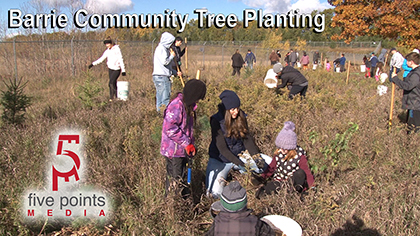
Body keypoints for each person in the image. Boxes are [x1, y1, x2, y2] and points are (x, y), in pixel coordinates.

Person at [206, 90, 261, 198]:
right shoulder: (216, 121)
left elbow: (247, 139)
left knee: (264, 166)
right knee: (215, 194)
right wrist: (239, 163)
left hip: (240, 154)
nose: (236, 111)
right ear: (226, 110)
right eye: (232, 109)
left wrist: (256, 156)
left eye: (237, 108)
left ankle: (244, 175)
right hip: (221, 160)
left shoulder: (241, 116)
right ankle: (232, 173)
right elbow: (222, 148)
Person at [161, 79, 207, 196]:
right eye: (198, 98)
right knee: (175, 181)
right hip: (174, 152)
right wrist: (187, 143)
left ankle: (183, 202)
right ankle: (172, 206)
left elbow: (187, 129)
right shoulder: (176, 105)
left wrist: (190, 144)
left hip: (182, 151)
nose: (198, 101)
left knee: (183, 178)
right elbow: (169, 128)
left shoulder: (188, 106)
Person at [256, 121, 314, 199]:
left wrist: (312, 186)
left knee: (300, 174)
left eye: (284, 148)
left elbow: (307, 172)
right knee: (269, 187)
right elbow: (271, 167)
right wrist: (262, 177)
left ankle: (291, 192)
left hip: (293, 182)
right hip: (279, 182)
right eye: (280, 147)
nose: (281, 150)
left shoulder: (299, 156)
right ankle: (271, 192)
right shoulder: (278, 153)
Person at [206, 181, 275, 236]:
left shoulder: (218, 222)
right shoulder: (255, 222)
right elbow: (270, 233)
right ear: (245, 204)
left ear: (223, 205)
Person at [390, 52, 420, 134]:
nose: (406, 63)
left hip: (415, 103)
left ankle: (411, 143)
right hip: (414, 102)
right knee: (411, 124)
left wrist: (395, 79)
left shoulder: (416, 74)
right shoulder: (415, 72)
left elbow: (408, 86)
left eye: (407, 61)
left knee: (413, 127)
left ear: (411, 62)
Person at [88, 36, 126, 101]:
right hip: (110, 69)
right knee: (113, 83)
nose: (107, 45)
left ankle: (111, 98)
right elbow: (101, 59)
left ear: (111, 43)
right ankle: (116, 97)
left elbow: (120, 59)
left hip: (117, 69)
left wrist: (123, 70)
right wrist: (93, 64)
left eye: (108, 44)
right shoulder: (107, 51)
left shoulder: (117, 49)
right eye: (106, 44)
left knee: (111, 82)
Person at [152, 32, 181, 113]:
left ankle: (159, 114)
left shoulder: (164, 49)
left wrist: (175, 72)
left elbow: (166, 67)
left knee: (160, 97)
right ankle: (164, 114)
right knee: (165, 98)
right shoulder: (162, 49)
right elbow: (165, 62)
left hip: (161, 75)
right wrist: (172, 56)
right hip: (162, 77)